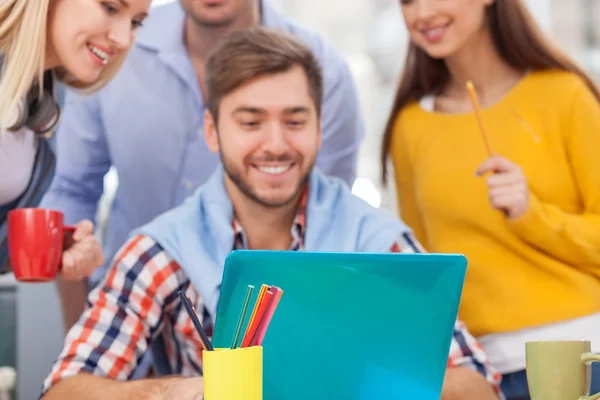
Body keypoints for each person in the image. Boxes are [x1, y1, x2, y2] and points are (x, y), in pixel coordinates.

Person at [41, 27, 501, 400]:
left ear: (320, 129)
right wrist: (181, 391)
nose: (276, 144)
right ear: (213, 131)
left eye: (295, 121)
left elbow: (479, 384)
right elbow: (64, 390)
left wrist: (358, 379)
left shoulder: (380, 244)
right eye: (250, 122)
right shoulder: (162, 251)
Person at [39, 0, 365, 330]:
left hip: (270, 336)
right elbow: (70, 190)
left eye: (292, 121)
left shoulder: (322, 73)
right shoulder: (114, 44)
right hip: (129, 318)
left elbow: (326, 223)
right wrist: (83, 327)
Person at [381, 0, 600, 398]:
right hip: (479, 378)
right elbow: (424, 269)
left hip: (580, 359)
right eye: (408, 1)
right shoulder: (409, 127)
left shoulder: (564, 95)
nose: (421, 13)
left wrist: (531, 214)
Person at [0, 0, 150, 294]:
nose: (122, 39)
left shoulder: (44, 101)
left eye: (136, 23)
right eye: (109, 7)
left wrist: (54, 246)